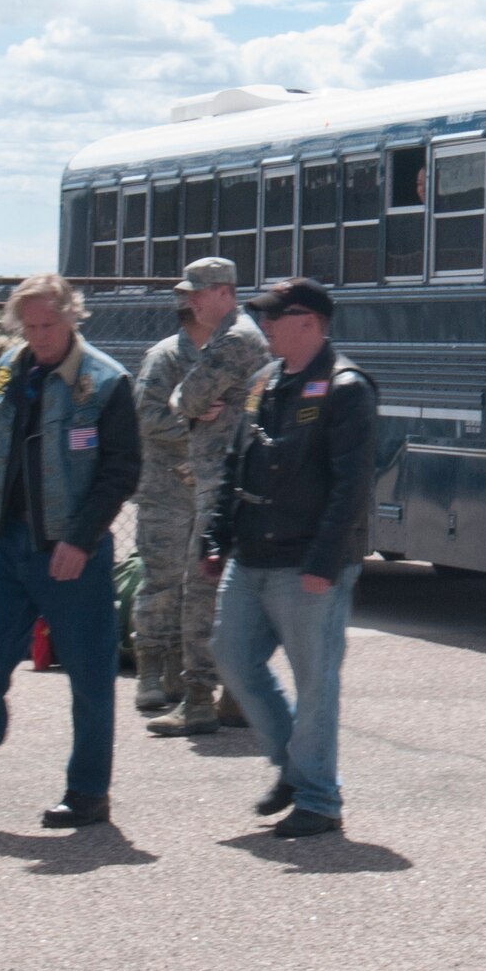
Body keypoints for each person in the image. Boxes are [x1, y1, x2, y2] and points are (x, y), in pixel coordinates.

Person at [0, 274, 139, 831]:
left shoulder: (106, 383)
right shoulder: (11, 370)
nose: (39, 336)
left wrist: (80, 539)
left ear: (72, 318)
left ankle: (88, 793)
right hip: (8, 546)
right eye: (29, 326)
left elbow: (120, 472)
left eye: (49, 325)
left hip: (71, 552)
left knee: (89, 676)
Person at [206, 276, 376, 837]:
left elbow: (351, 486)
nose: (265, 325)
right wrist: (216, 533)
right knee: (232, 660)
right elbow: (237, 463)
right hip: (252, 554)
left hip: (308, 563)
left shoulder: (346, 387)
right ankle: (293, 767)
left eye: (275, 316)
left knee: (315, 683)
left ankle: (319, 800)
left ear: (310, 322)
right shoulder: (264, 382)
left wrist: (325, 561)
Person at [148, 256, 267, 739]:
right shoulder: (237, 336)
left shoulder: (235, 339)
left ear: (225, 292)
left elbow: (188, 399)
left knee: (201, 589)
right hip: (234, 483)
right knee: (234, 593)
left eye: (198, 292)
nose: (190, 301)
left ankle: (198, 700)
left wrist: (189, 404)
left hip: (222, 487)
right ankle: (236, 696)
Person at [128, 281, 208, 713]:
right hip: (165, 489)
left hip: (205, 488)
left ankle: (183, 669)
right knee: (161, 581)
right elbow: (148, 417)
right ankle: (149, 672)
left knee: (198, 585)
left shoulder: (222, 354)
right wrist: (201, 430)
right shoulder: (165, 357)